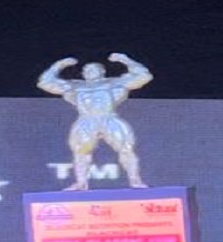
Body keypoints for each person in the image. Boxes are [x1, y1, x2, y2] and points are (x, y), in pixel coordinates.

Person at [38, 52, 152, 190]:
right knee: (80, 152)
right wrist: (58, 65)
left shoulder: (114, 83)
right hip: (86, 120)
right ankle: (81, 183)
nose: (88, 72)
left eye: (92, 69)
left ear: (102, 71)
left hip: (108, 117)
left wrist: (125, 60)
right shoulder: (75, 86)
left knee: (126, 148)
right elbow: (45, 83)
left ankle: (135, 180)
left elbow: (144, 76)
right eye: (85, 70)